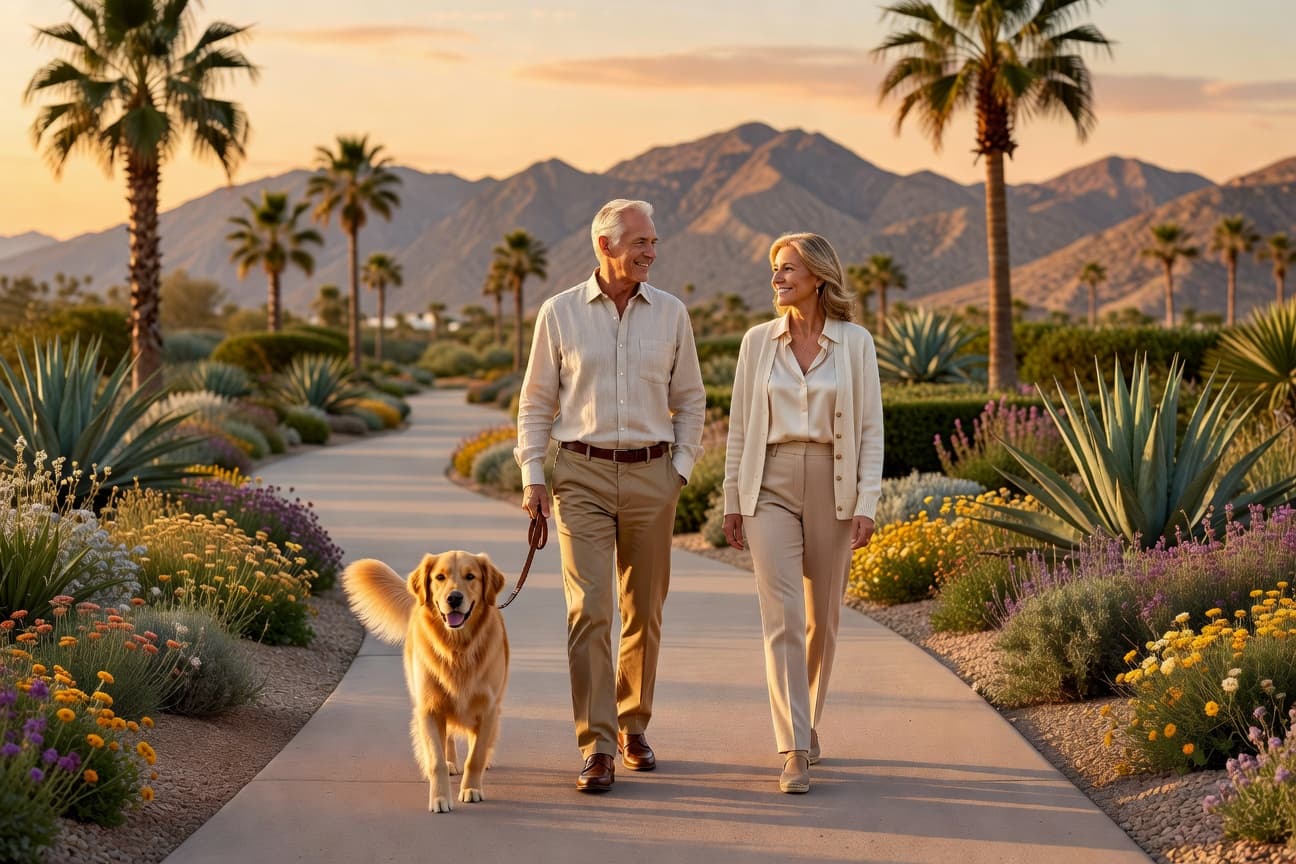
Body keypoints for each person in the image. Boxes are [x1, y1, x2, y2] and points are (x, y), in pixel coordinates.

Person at [515, 198, 706, 793]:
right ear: (605, 246)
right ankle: (595, 744)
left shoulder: (671, 314)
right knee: (591, 610)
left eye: (653, 242)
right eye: (640, 242)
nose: (651, 251)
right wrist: (533, 475)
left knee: (643, 611)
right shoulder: (559, 313)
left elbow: (692, 399)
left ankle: (633, 724)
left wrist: (679, 468)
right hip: (581, 475)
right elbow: (536, 403)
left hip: (654, 477)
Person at [721, 232, 883, 794]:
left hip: (833, 484)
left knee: (823, 620)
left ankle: (808, 717)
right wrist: (732, 500)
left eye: (788, 269)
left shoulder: (855, 343)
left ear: (817, 276)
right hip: (769, 483)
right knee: (782, 616)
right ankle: (792, 746)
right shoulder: (756, 343)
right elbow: (740, 426)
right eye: (775, 270)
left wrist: (867, 502)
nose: (778, 279)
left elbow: (869, 429)